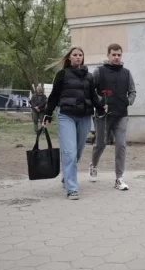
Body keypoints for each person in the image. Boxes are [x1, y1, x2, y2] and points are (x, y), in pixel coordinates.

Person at [42, 46, 105, 200]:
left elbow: (93, 97)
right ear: (69, 58)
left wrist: (100, 109)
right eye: (75, 55)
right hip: (66, 116)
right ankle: (72, 188)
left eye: (80, 55)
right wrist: (48, 114)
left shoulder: (89, 76)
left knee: (77, 151)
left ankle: (67, 175)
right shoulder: (62, 74)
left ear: (83, 58)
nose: (78, 57)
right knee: (69, 152)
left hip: (84, 116)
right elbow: (54, 96)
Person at [89, 43, 136, 190]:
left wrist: (127, 102)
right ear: (108, 55)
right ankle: (93, 165)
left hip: (121, 114)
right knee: (100, 144)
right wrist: (100, 102)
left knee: (121, 145)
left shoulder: (127, 73)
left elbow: (133, 92)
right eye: (113, 55)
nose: (116, 57)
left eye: (119, 55)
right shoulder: (99, 72)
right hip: (103, 115)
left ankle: (119, 179)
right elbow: (91, 90)